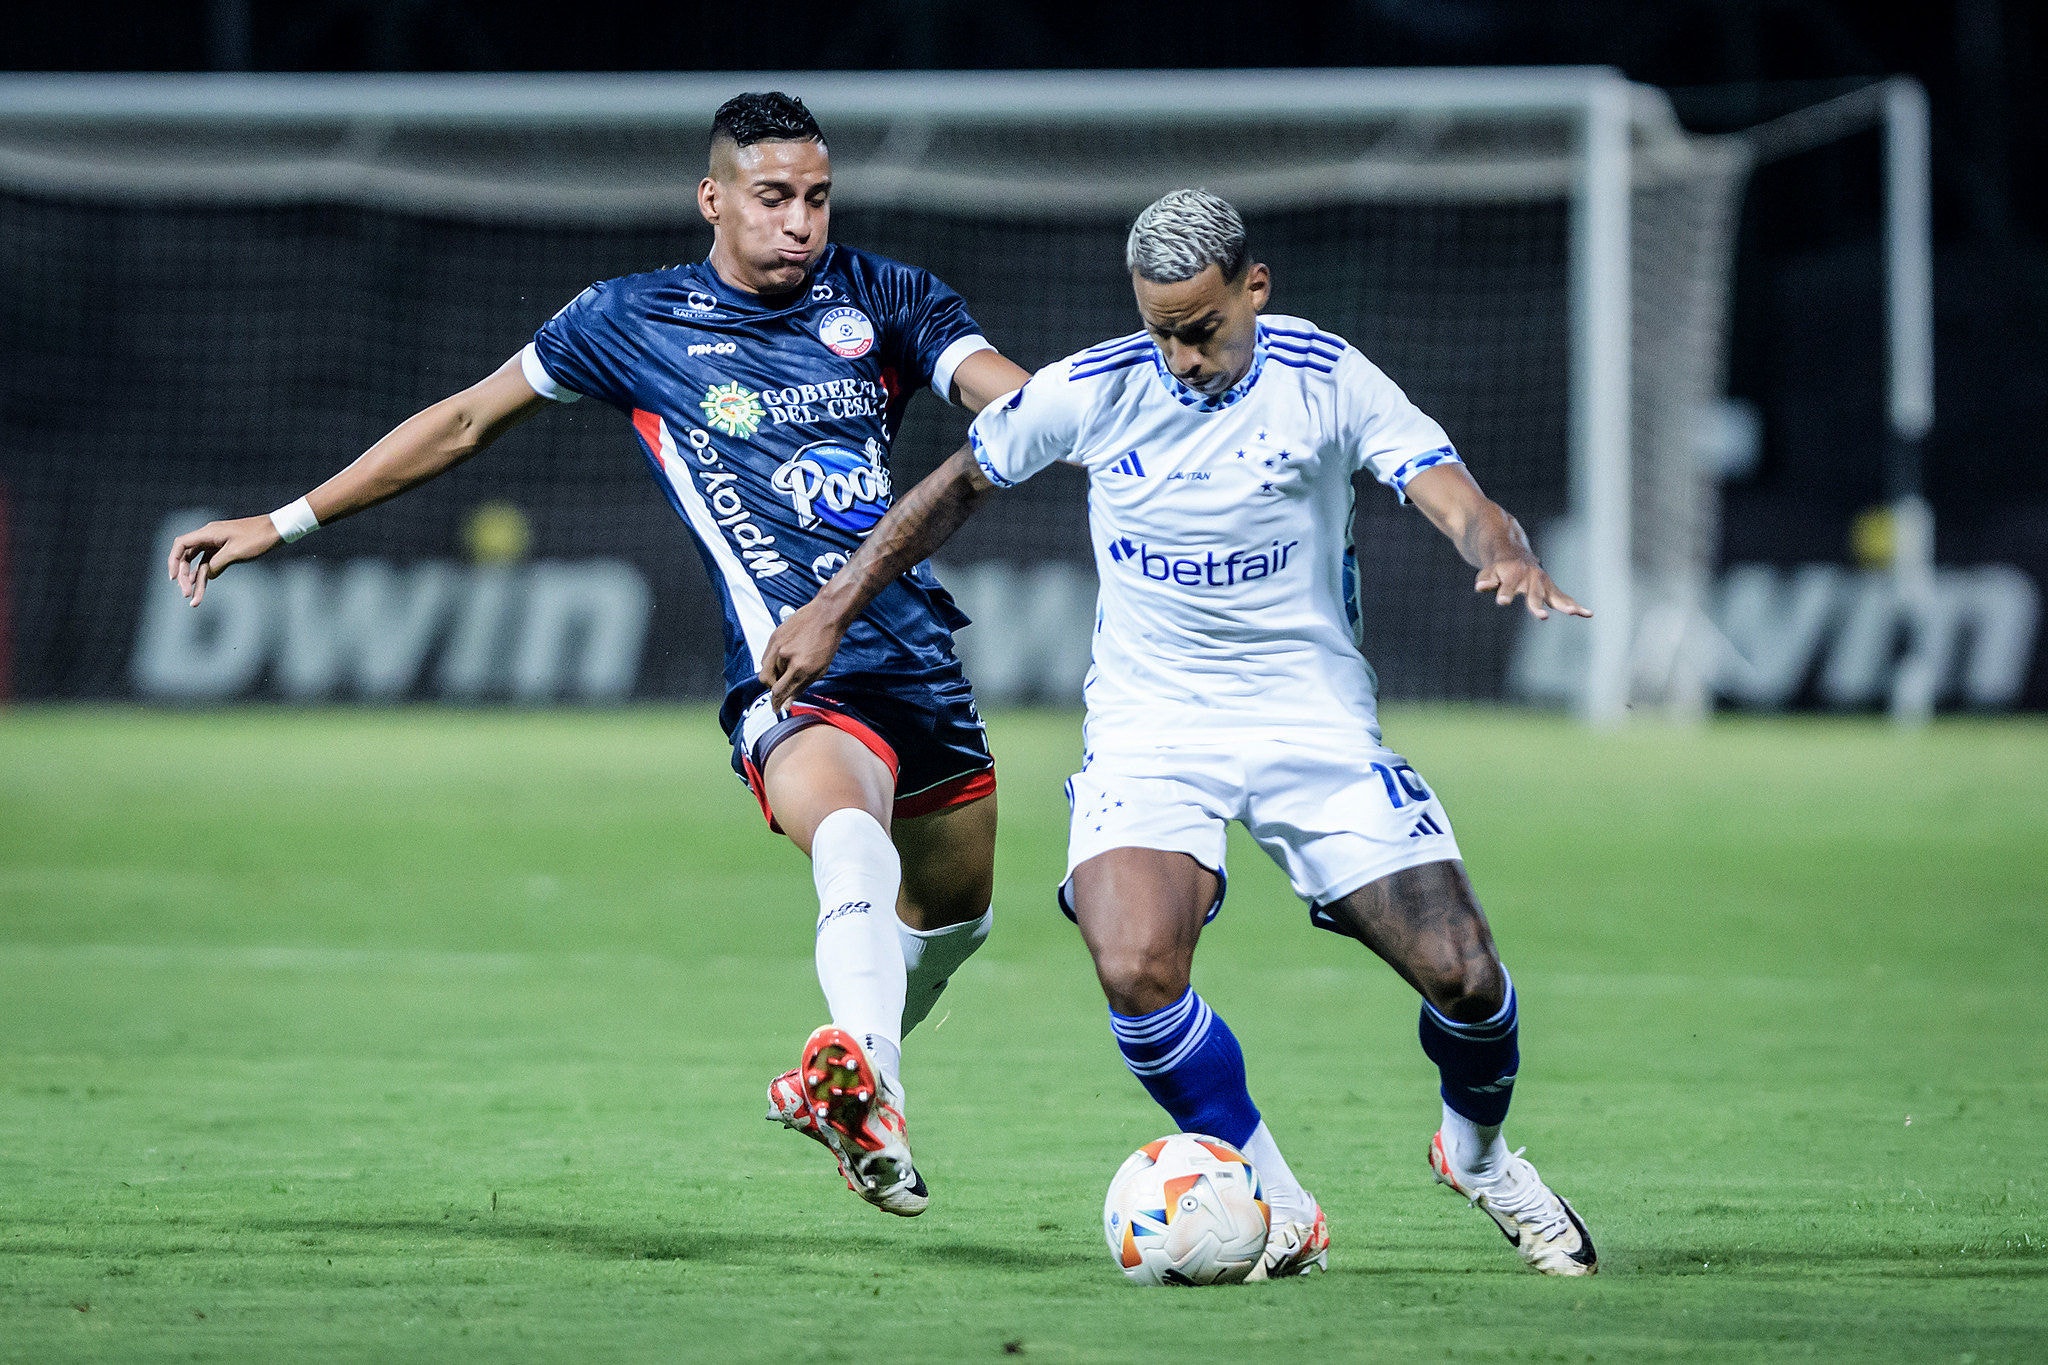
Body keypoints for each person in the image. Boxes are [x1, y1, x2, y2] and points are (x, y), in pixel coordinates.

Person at [166, 91, 1032, 1219]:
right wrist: (282, 523)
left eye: (817, 198)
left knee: (958, 918)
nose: (799, 223)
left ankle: (851, 1075)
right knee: (849, 836)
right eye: (772, 199)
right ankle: (870, 1089)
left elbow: (1002, 392)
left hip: (919, 656)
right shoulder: (631, 319)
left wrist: (1080, 419)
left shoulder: (888, 297)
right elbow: (467, 420)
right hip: (793, 672)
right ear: (712, 199)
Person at [759, 188, 1599, 1276]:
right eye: (1159, 330)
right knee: (1133, 963)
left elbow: (1443, 487)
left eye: (1200, 330)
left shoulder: (1326, 378)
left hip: (1314, 726)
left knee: (1466, 981)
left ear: (1254, 289)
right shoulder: (1093, 389)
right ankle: (1281, 1199)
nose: (1180, 357)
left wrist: (1499, 544)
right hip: (1151, 730)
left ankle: (1478, 1158)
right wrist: (831, 606)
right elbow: (953, 487)